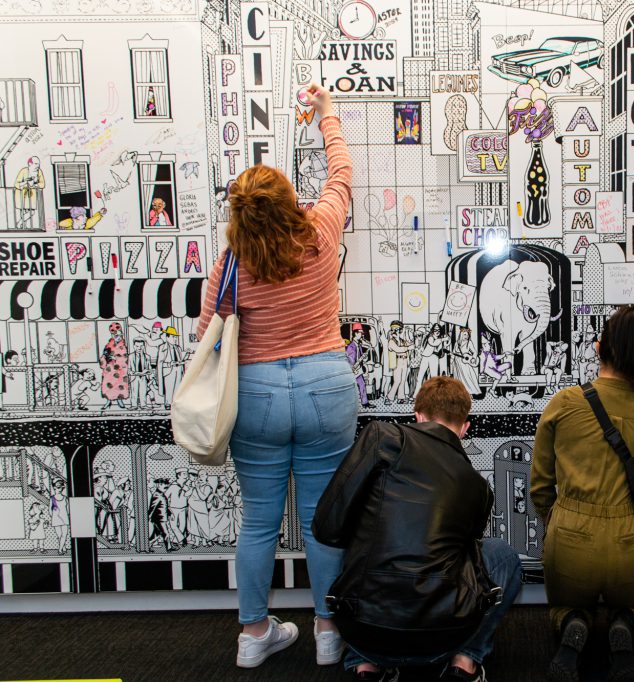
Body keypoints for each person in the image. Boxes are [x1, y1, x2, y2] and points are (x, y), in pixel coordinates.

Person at [196, 82, 357, 669]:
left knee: (258, 519)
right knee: (322, 519)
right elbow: (341, 176)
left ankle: (253, 634)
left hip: (257, 395)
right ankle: (328, 632)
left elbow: (206, 337)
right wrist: (327, 116)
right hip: (324, 387)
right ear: (288, 200)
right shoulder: (317, 233)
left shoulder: (231, 264)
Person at [314, 376, 522, 682]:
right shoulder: (479, 487)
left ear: (418, 416)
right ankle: (465, 661)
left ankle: (365, 666)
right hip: (442, 638)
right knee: (502, 555)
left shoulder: (381, 437)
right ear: (465, 428)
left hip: (364, 631)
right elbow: (469, 561)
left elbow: (326, 528)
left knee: (364, 545)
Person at [531, 306, 634, 682]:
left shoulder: (563, 403)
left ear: (598, 347)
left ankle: (572, 622)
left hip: (568, 541)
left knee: (563, 605)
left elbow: (540, 483)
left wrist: (557, 520)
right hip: (628, 544)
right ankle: (627, 624)